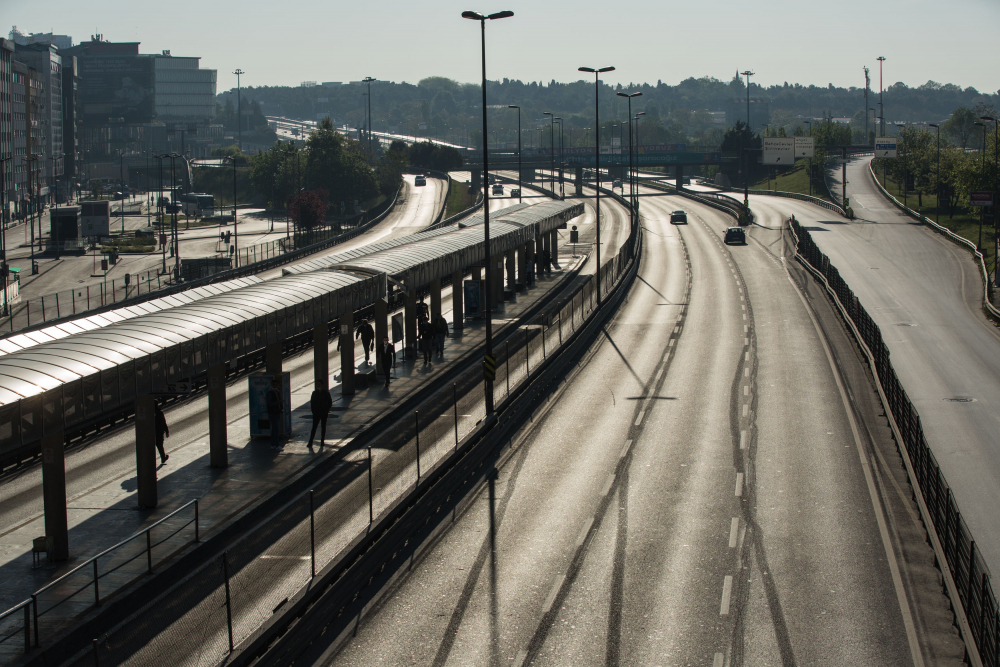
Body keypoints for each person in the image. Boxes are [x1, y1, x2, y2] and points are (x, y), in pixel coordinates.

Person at [266, 377, 284, 451]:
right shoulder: (270, 393)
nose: (275, 386)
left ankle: (273, 444)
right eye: (274, 384)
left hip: (277, 412)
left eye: (276, 384)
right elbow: (269, 404)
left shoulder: (277, 392)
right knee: (276, 429)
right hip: (273, 413)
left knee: (274, 429)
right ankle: (277, 445)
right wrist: (278, 402)